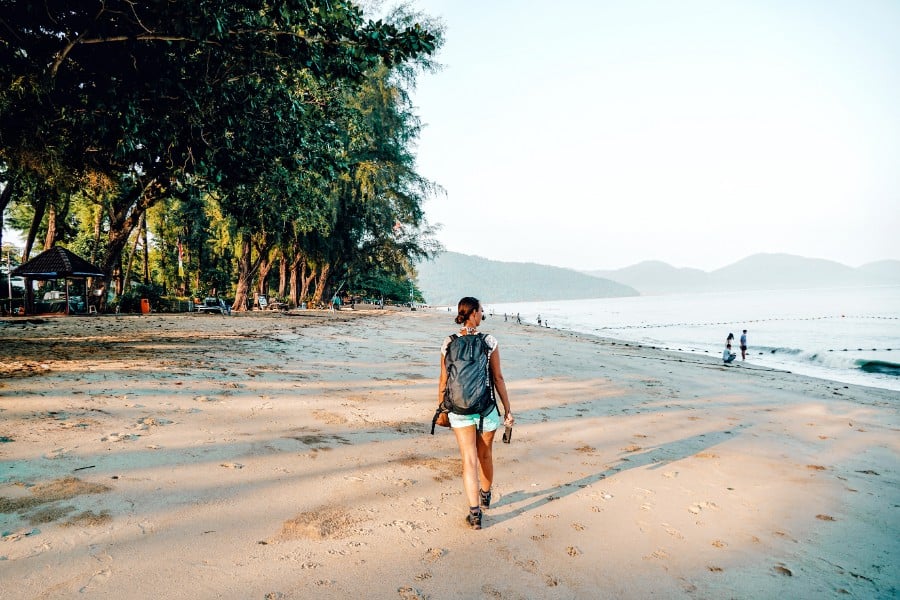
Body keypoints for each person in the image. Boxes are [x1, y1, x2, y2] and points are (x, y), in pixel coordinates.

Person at [438, 297, 513, 530]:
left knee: (468, 461)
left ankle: (475, 515)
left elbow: (444, 380)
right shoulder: (489, 341)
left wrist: (441, 408)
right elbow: (498, 378)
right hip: (486, 409)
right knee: (485, 456)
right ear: (472, 313)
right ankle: (486, 495)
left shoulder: (448, 342)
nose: (483, 314)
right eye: (481, 311)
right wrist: (508, 409)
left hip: (459, 410)